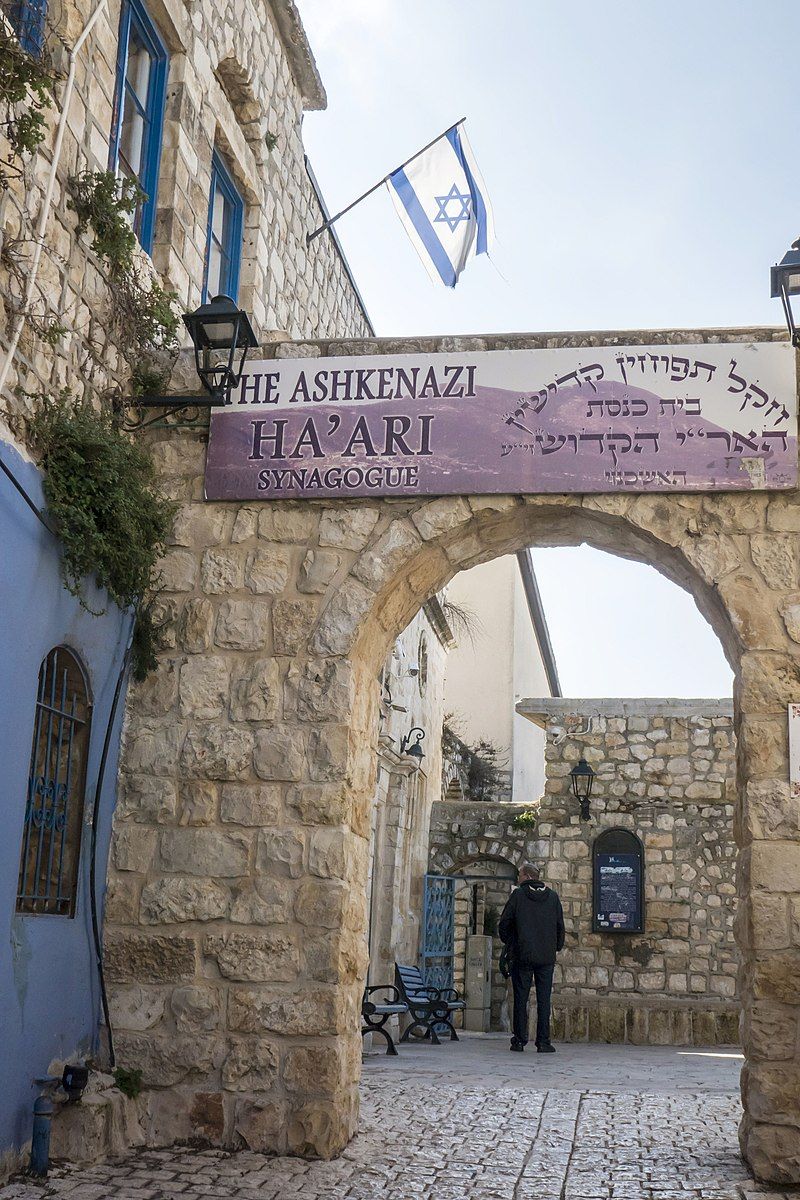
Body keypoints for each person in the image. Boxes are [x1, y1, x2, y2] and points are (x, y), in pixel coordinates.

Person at [498, 863, 565, 1053]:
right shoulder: (552, 897)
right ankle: (543, 1041)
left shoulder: (518, 895)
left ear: (527, 876)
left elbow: (504, 923)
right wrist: (555, 947)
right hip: (546, 956)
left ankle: (519, 1040)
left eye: (519, 875)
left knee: (521, 998)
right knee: (544, 999)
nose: (517, 879)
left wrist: (511, 942)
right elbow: (560, 925)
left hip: (523, 954)